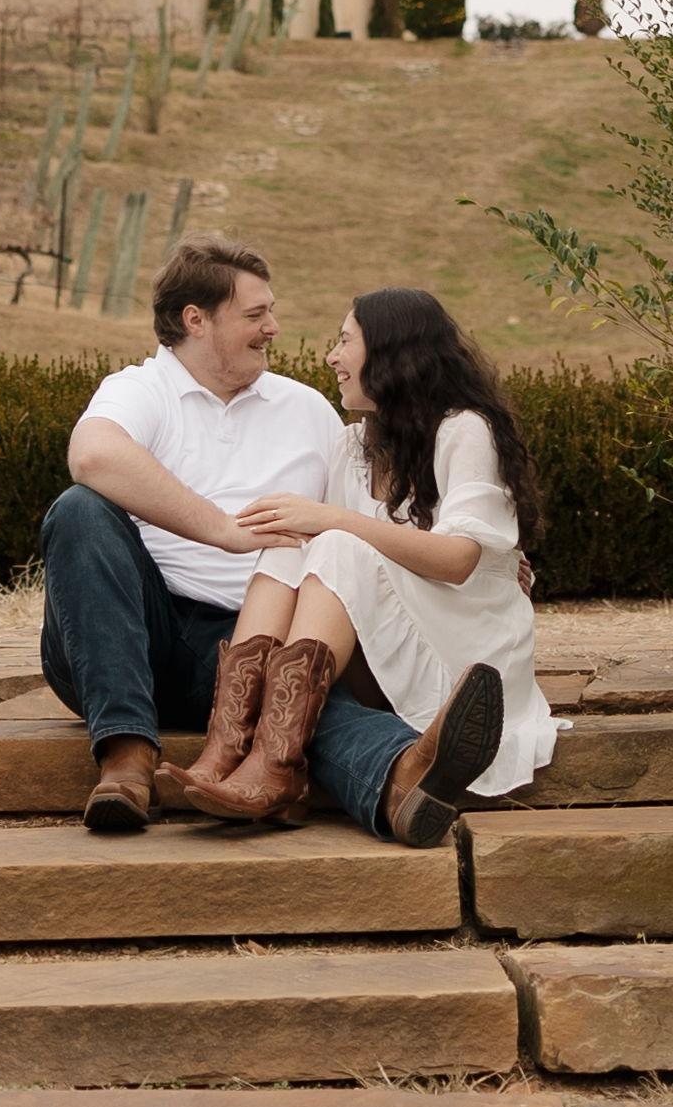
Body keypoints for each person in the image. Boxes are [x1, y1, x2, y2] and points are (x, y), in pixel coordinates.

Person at [33, 236, 418, 836]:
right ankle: (127, 760)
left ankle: (404, 775)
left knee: (293, 701)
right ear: (196, 319)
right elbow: (93, 456)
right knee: (79, 510)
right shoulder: (140, 390)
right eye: (255, 314)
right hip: (126, 634)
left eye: (271, 312)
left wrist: (483, 559)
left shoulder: (306, 410)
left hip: (250, 643)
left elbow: (360, 524)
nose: (273, 328)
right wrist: (223, 530)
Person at [176, 285, 554, 845]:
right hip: (377, 647)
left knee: (332, 538)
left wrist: (332, 519)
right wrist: (316, 525)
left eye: (345, 341)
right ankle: (226, 747)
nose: (331, 356)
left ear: (392, 351)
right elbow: (327, 567)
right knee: (288, 543)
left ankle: (275, 764)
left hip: (463, 645)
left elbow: (457, 561)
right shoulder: (353, 444)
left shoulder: (464, 429)